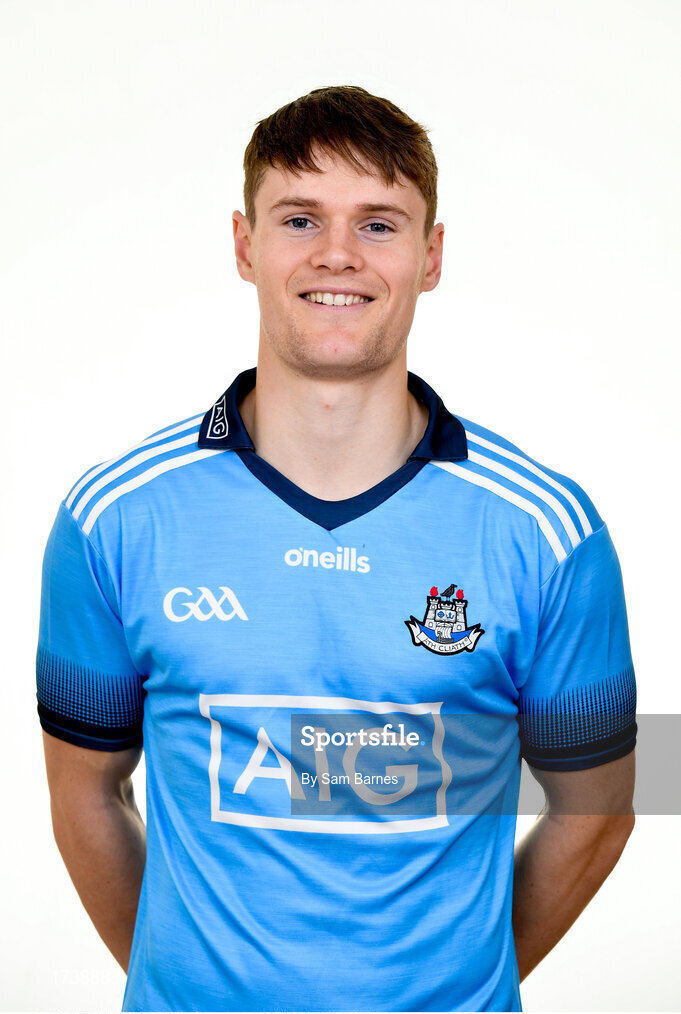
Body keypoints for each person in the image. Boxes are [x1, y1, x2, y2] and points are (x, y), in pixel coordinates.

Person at [37, 85, 636, 1013]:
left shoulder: (547, 533)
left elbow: (597, 811)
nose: (337, 254)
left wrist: (457, 986)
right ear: (245, 244)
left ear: (430, 256)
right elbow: (84, 796)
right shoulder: (114, 520)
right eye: (300, 218)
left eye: (378, 224)